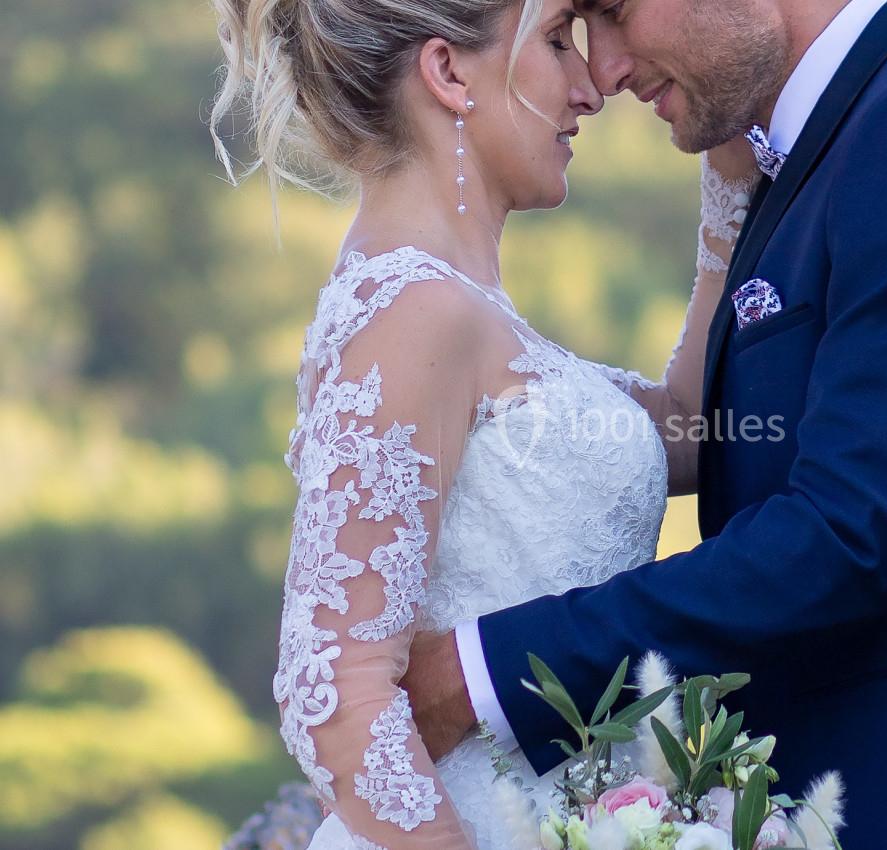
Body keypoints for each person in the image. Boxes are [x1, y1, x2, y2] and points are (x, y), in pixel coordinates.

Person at [403, 0, 887, 848]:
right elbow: (737, 440)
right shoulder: (840, 145)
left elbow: (846, 534)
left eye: (618, 12)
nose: (608, 68)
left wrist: (485, 671)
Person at [206, 0, 758, 846]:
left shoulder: (458, 308)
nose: (590, 86)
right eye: (556, 40)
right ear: (447, 73)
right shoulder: (414, 312)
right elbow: (335, 691)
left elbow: (685, 429)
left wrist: (730, 174)